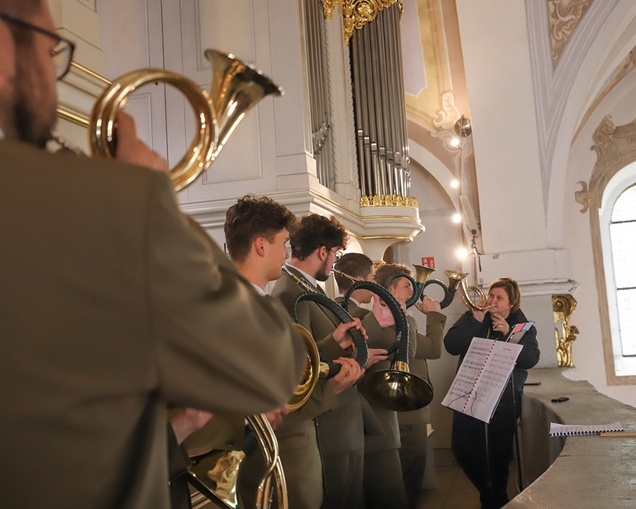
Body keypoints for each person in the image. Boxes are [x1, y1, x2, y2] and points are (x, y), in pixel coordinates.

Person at [0, 3, 303, 508]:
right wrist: (153, 199)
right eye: (51, 49)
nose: (54, 79)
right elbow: (270, 366)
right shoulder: (111, 206)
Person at [222, 196, 371, 509]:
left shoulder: (256, 304)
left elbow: (290, 371)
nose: (287, 253)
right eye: (283, 243)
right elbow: (273, 409)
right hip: (270, 459)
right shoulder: (242, 308)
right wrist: (331, 389)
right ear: (262, 246)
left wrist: (331, 344)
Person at [271, 214, 387, 509]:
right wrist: (345, 354)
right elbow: (300, 366)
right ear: (322, 251)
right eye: (335, 253)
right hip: (329, 424)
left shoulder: (306, 286)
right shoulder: (289, 291)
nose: (334, 262)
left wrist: (346, 345)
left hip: (342, 418)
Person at [444, 277, 540, 509]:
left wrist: (509, 334)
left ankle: (492, 499)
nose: (493, 301)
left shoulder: (522, 326)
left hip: (504, 400)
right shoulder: (475, 317)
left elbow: (530, 359)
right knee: (462, 449)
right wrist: (475, 320)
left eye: (499, 298)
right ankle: (494, 496)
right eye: (491, 296)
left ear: (511, 302)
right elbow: (451, 345)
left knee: (498, 456)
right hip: (470, 394)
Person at [334, 255, 408, 509]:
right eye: (372, 279)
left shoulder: (329, 308)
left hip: (349, 419)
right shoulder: (364, 314)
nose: (376, 283)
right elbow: (400, 347)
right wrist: (401, 317)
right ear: (360, 281)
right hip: (374, 410)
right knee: (389, 494)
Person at [374, 263, 446, 509]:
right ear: (389, 289)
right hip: (406, 413)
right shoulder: (396, 322)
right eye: (407, 286)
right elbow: (434, 349)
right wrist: (434, 315)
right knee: (407, 484)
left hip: (402, 411)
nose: (414, 291)